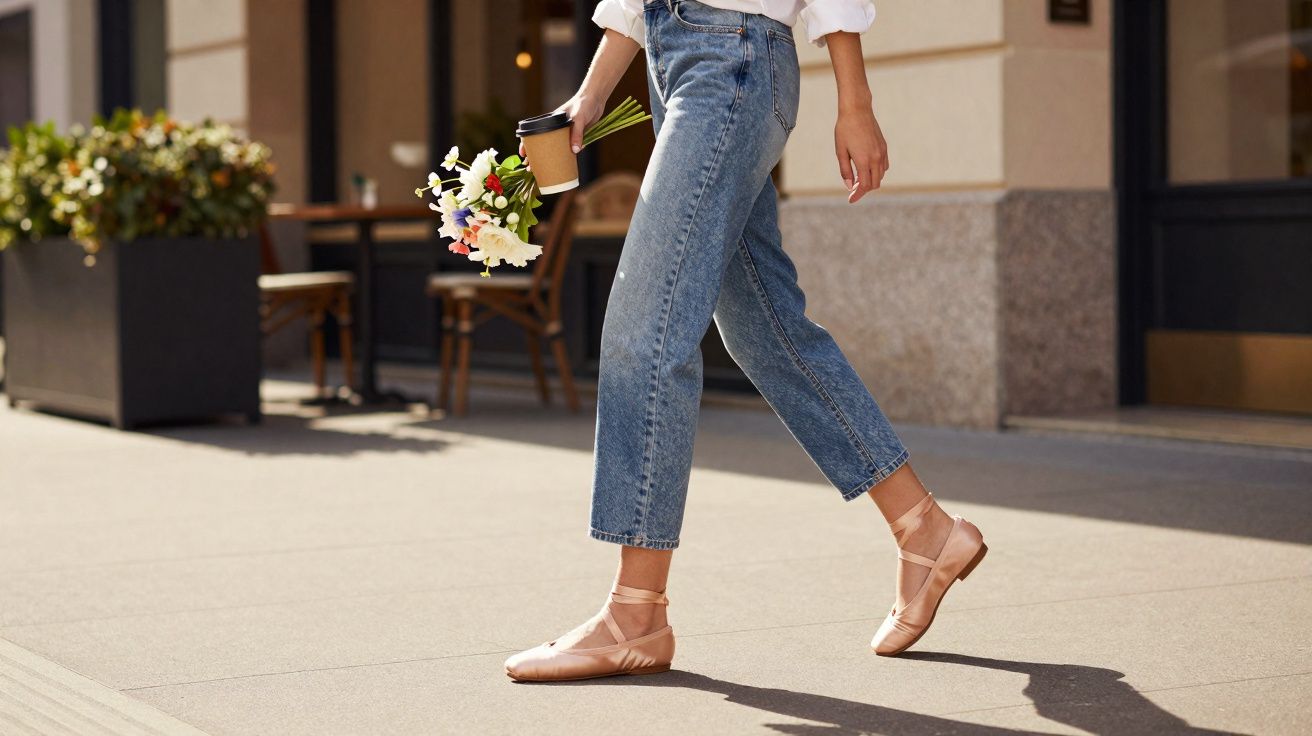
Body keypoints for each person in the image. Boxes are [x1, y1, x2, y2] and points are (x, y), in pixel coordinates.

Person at [505, 0, 987, 682]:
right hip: (685, 67)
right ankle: (924, 528)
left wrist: (856, 102)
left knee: (645, 333)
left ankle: (635, 613)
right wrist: (591, 91)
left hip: (732, 62)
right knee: (765, 330)